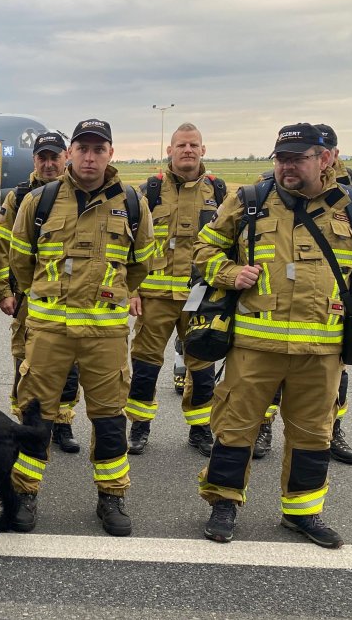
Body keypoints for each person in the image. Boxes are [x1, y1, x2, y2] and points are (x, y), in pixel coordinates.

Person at [196, 123, 352, 548]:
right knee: (234, 428)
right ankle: (223, 504)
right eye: (281, 159)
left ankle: (302, 513)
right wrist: (230, 273)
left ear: (324, 159)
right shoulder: (248, 201)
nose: (287, 166)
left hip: (320, 352)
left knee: (313, 436)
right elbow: (204, 250)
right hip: (254, 347)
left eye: (297, 158)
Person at [7, 119, 154, 537]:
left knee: (109, 419)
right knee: (35, 413)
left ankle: (111, 496)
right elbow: (20, 260)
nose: (90, 157)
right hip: (49, 332)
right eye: (83, 149)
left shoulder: (132, 203)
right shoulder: (40, 201)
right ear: (70, 153)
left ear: (111, 154)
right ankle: (24, 492)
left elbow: (141, 263)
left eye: (98, 149)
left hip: (105, 336)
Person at [126, 123, 222, 456]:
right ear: (170, 150)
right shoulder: (148, 192)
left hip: (200, 298)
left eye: (194, 145)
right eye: (181, 145)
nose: (188, 150)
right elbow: (130, 245)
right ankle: (139, 426)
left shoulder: (219, 192)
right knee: (145, 366)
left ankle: (200, 429)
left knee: (202, 367)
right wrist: (132, 290)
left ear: (203, 150)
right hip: (155, 298)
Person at [0, 131, 82, 452]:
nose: (48, 164)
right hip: (28, 298)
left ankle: (62, 422)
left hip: (71, 299)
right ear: (34, 160)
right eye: (42, 157)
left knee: (69, 365)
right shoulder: (19, 198)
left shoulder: (82, 194)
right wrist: (5, 291)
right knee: (25, 360)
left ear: (66, 157)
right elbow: (2, 248)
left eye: (54, 157)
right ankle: (26, 422)